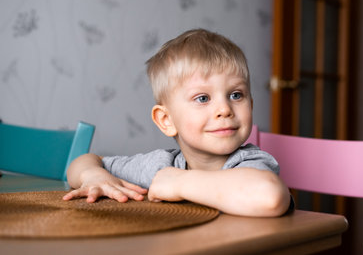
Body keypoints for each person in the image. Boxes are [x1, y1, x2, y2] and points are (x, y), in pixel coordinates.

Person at [63, 29, 291, 217]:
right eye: (203, 98)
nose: (224, 109)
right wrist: (94, 176)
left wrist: (179, 183)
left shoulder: (248, 162)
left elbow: (271, 197)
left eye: (236, 95)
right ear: (166, 120)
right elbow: (82, 162)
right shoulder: (162, 165)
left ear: (250, 105)